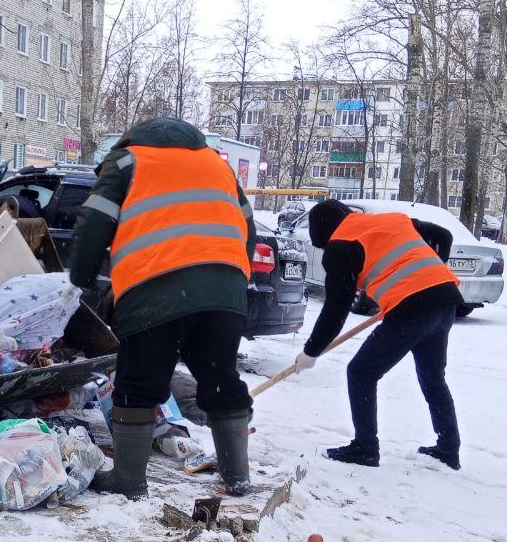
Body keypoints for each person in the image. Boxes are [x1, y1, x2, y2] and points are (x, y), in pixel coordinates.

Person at [68, 117, 256, 498]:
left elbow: (94, 221)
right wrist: (233, 279)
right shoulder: (216, 165)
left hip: (154, 288)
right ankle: (237, 474)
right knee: (220, 377)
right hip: (225, 291)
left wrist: (81, 278)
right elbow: (247, 225)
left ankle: (129, 480)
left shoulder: (125, 161)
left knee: (139, 383)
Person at [291, 199, 463, 470]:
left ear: (323, 233)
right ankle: (448, 449)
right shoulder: (390, 220)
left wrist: (312, 351)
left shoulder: (340, 245)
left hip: (413, 308)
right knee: (433, 377)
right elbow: (444, 235)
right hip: (446, 300)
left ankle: (365, 448)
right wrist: (428, 277)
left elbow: (336, 309)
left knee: (361, 372)